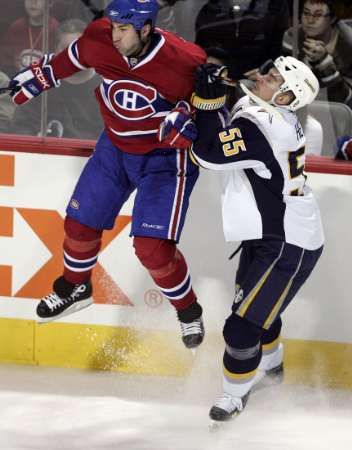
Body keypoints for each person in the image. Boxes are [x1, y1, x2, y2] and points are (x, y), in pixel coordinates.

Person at [9, 0, 207, 349]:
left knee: (153, 249)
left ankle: (189, 311)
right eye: (113, 26)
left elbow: (209, 109)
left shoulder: (185, 61)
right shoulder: (100, 37)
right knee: (78, 224)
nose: (114, 35)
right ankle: (75, 286)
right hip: (114, 147)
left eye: (124, 29)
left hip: (164, 160)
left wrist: (191, 116)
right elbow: (68, 61)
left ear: (146, 29)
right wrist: (40, 77)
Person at [159, 56, 324, 420]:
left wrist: (206, 102)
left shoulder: (268, 126)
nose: (264, 75)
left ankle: (232, 397)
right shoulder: (260, 107)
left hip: (288, 241)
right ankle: (273, 368)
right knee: (258, 309)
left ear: (284, 97)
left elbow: (207, 153)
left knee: (241, 326)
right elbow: (225, 127)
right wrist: (214, 95)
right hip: (269, 232)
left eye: (273, 77)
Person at [10, 19, 103, 139]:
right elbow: (19, 131)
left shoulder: (110, 90)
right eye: (66, 49)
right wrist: (36, 141)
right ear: (56, 52)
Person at [195, 0, 290, 79]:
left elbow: (279, 52)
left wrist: (266, 70)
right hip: (218, 76)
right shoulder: (210, 9)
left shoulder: (274, 6)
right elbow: (200, 51)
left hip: (258, 78)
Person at [282, 0, 352, 107]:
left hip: (336, 112)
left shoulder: (348, 45)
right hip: (302, 106)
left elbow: (347, 100)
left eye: (318, 15)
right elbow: (288, 84)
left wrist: (324, 62)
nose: (310, 20)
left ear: (332, 18)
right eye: (306, 13)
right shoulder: (292, 36)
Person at [0, 0, 59, 76]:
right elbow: (4, 62)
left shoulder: (56, 30)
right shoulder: (15, 28)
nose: (33, 2)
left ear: (50, 2)